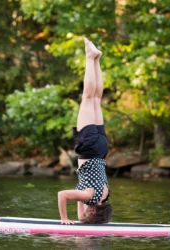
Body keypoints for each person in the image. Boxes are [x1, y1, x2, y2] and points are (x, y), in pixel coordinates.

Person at [58, 38, 112, 225]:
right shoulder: (88, 196)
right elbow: (62, 194)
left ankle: (96, 59)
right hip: (88, 147)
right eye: (88, 214)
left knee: (97, 99)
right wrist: (64, 219)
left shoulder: (103, 194)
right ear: (93, 209)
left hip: (101, 148)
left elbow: (83, 206)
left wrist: (82, 216)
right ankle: (90, 57)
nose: (84, 213)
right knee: (88, 98)